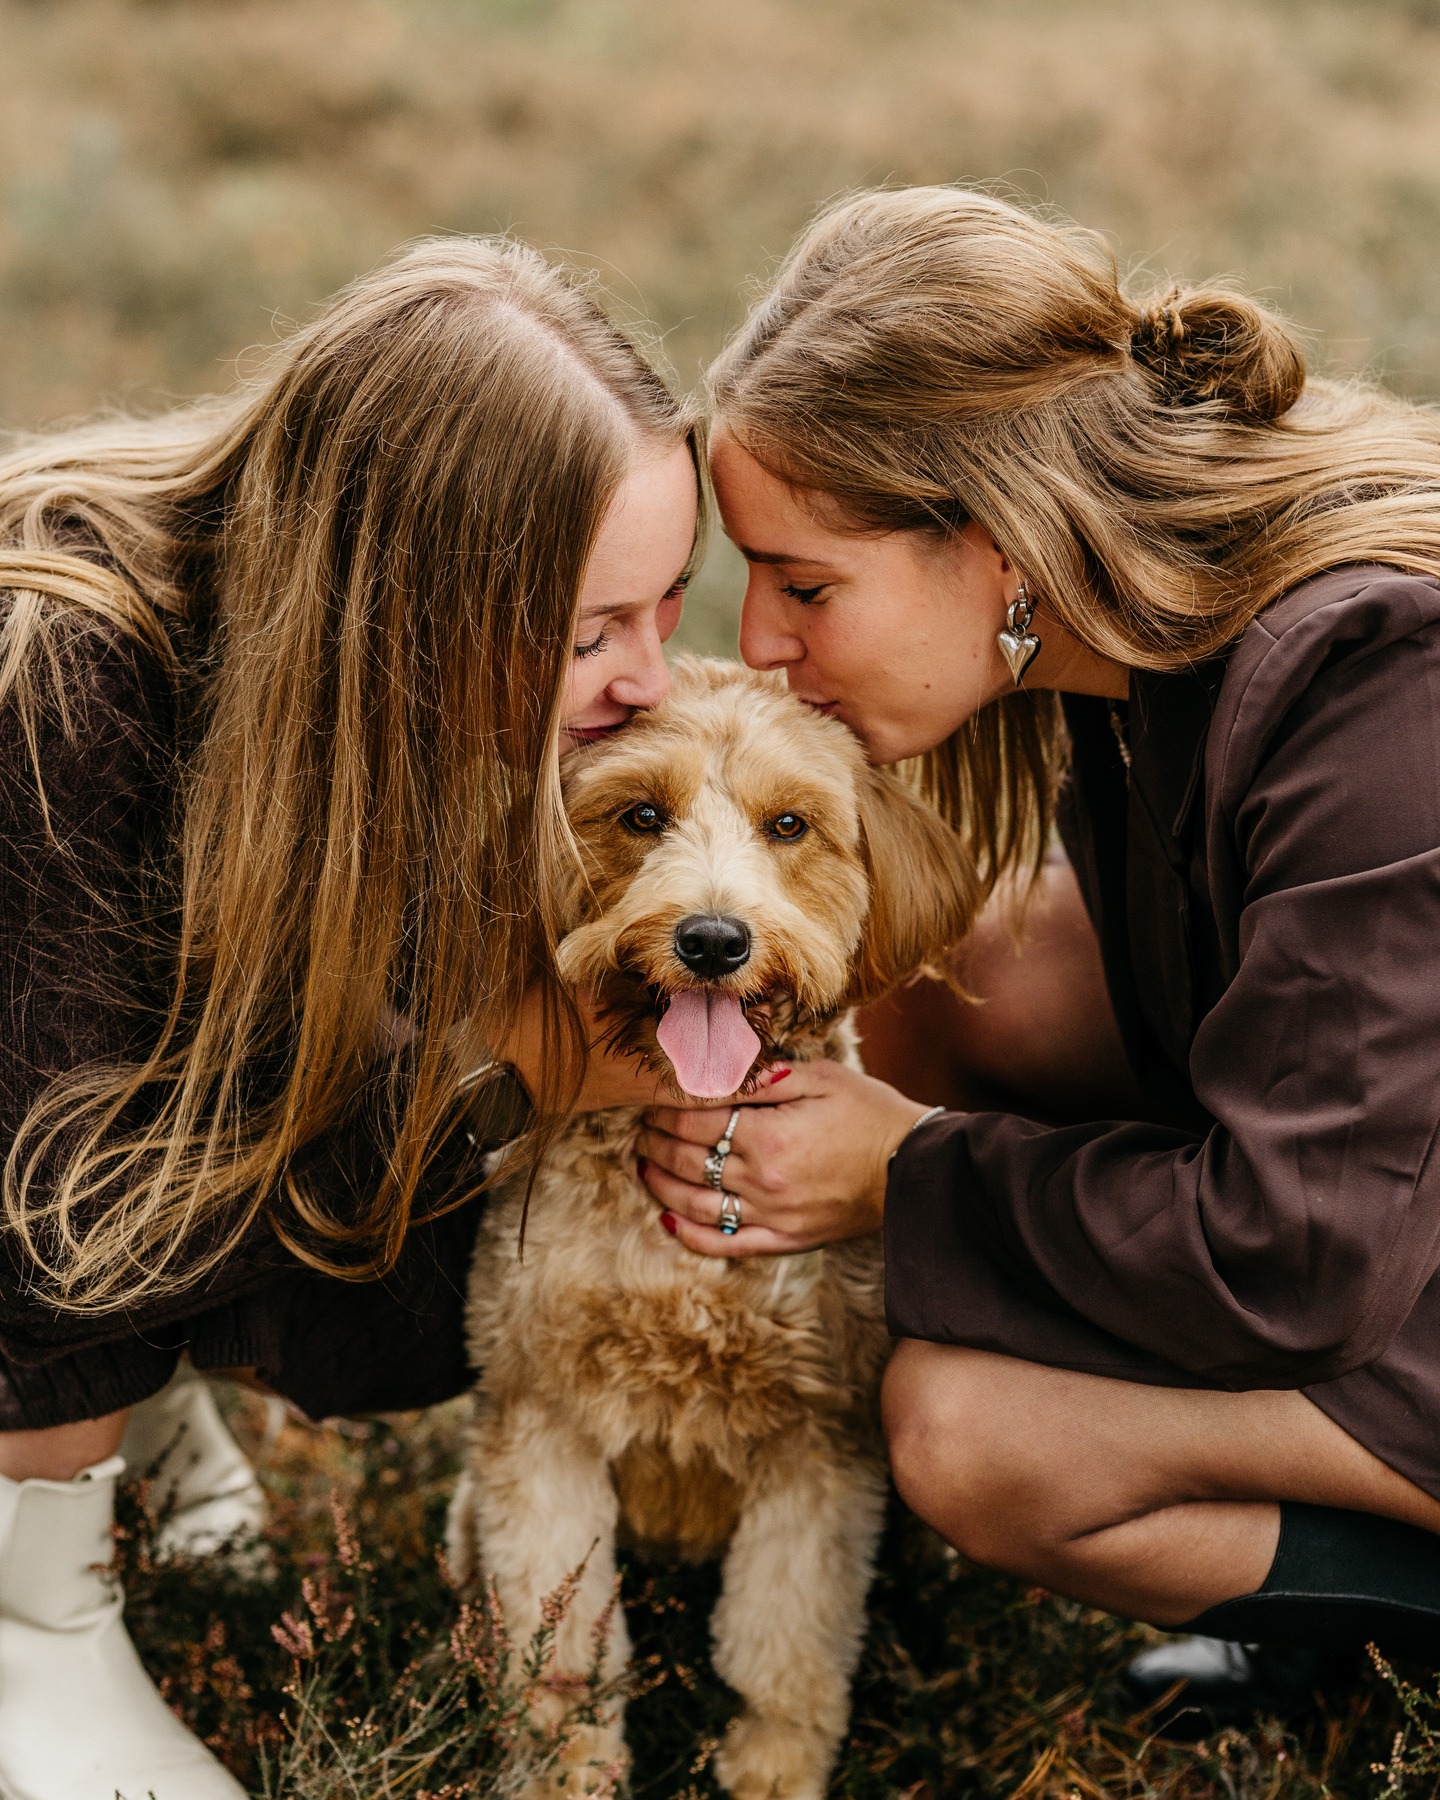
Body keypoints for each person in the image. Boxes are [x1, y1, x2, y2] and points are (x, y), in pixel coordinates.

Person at [637, 186, 1440, 1718]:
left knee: (972, 1432)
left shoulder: (1377, 670)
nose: (760, 644)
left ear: (995, 548)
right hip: (1394, 1195)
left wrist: (912, 1172)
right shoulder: (1133, 636)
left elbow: (1300, 1260)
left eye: (806, 584)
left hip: (1348, 1250)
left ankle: (1382, 1633)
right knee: (965, 973)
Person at [0, 237, 695, 1798]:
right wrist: (505, 1070)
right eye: (591, 631)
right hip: (29, 1180)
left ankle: (141, 1414)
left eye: (667, 606)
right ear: (403, 590)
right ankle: (28, 1598)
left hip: (82, 1134)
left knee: (408, 1251)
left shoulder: (388, 694)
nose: (647, 677)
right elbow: (52, 1214)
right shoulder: (54, 674)